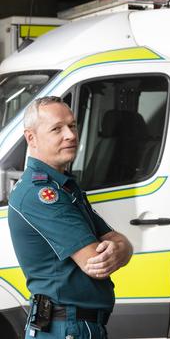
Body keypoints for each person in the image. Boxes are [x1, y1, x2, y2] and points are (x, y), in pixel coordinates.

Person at [8, 96, 133, 339]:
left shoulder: (65, 187)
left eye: (72, 126)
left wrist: (123, 246)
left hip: (75, 325)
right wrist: (121, 248)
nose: (71, 135)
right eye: (57, 129)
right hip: (66, 327)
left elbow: (118, 241)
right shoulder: (41, 194)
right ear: (31, 138)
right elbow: (94, 263)